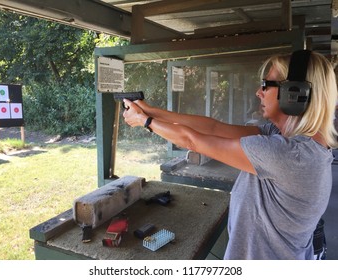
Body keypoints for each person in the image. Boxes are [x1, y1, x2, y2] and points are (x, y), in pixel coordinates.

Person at [122, 50, 338, 260]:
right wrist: (151, 111)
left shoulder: (288, 153)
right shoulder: (293, 142)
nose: (259, 92)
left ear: (294, 92)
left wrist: (145, 122)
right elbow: (214, 128)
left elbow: (193, 141)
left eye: (266, 85)